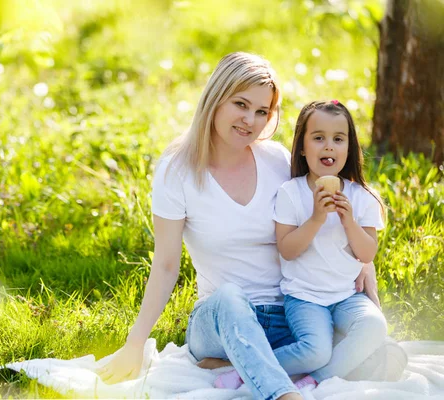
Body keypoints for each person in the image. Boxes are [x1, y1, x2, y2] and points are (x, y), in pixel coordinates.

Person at [97, 52, 401, 400]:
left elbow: (327, 213)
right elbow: (166, 265)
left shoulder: (275, 160)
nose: (250, 121)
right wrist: (135, 344)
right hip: (221, 319)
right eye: (241, 104)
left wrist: (365, 264)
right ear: (215, 98)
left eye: (262, 111)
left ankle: (239, 367)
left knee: (385, 353)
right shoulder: (176, 170)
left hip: (289, 313)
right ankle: (284, 394)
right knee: (230, 296)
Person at [214, 100, 388, 391]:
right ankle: (246, 370)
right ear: (303, 148)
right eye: (318, 138)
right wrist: (317, 218)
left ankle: (313, 380)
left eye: (338, 139)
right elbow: (288, 249)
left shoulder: (361, 198)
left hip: (347, 295)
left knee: (375, 326)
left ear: (350, 148)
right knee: (315, 349)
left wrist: (348, 222)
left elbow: (367, 252)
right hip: (305, 298)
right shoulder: (291, 193)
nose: (329, 147)